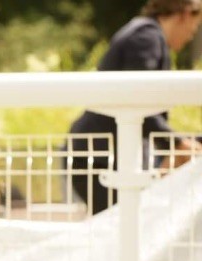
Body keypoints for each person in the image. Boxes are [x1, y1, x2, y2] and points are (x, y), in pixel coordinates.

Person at [67, 0, 202, 215]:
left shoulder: (145, 34)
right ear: (185, 14)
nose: (191, 35)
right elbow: (136, 97)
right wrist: (175, 142)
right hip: (100, 157)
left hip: (103, 153)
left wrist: (176, 142)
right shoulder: (145, 38)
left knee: (123, 229)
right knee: (122, 230)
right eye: (194, 27)